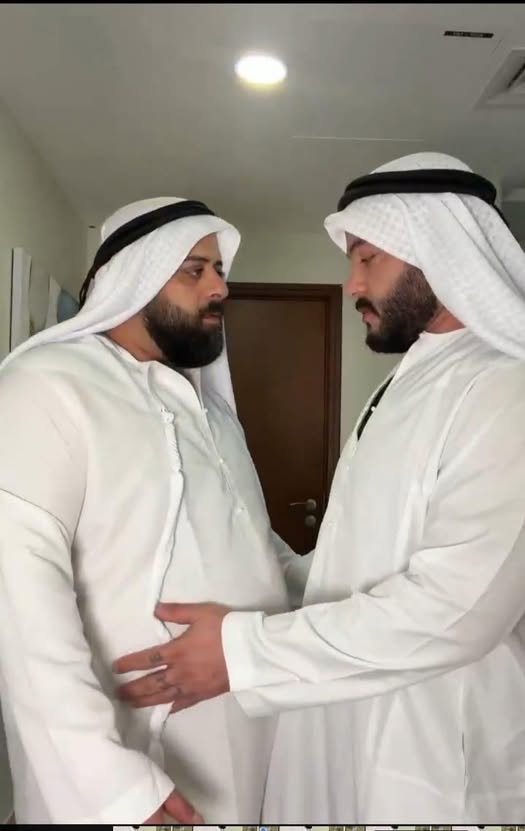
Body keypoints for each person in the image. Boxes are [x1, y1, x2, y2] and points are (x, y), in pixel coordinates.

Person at [114, 153, 525, 823]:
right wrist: (250, 560)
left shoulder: (507, 386)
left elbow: (460, 611)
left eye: (368, 258)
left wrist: (241, 652)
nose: (351, 283)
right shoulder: (417, 379)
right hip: (355, 717)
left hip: (442, 743)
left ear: (439, 254)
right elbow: (357, 558)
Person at [0, 197, 309, 824]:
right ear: (131, 278)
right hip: (131, 754)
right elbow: (20, 602)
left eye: (219, 271)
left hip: (245, 722)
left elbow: (256, 543)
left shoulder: (211, 411)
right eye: (194, 270)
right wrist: (108, 780)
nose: (220, 288)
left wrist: (351, 601)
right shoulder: (47, 386)